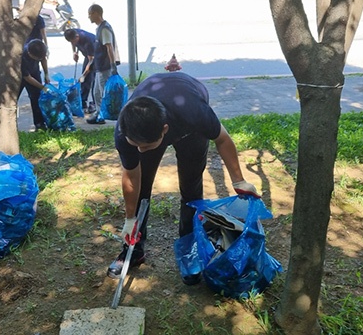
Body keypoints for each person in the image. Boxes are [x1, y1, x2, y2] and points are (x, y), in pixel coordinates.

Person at [108, 72, 261, 285]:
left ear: (165, 130)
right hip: (151, 118)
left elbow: (223, 139)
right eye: (136, 145)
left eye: (147, 146)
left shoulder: (194, 113)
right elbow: (131, 176)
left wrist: (238, 181)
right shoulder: (126, 132)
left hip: (189, 126)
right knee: (142, 190)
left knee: (190, 189)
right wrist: (130, 218)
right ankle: (133, 251)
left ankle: (190, 250)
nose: (140, 151)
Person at [86, 4, 120, 125]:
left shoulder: (104, 29)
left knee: (104, 93)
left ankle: (104, 116)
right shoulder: (99, 28)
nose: (88, 16)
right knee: (96, 93)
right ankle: (99, 113)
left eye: (90, 13)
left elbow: (109, 48)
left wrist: (112, 66)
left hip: (105, 67)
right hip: (99, 67)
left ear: (96, 13)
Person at [18, 39, 49, 131]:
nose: (40, 59)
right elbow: (27, 78)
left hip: (34, 72)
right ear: (30, 54)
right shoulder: (21, 57)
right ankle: (10, 123)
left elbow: (43, 58)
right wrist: (43, 87)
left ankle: (39, 123)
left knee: (37, 98)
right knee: (13, 100)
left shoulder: (39, 48)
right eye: (37, 59)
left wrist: (46, 74)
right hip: (20, 77)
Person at [63, 28, 96, 113]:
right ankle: (83, 101)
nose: (73, 43)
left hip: (96, 56)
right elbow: (72, 42)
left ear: (77, 36)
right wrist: (74, 52)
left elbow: (91, 61)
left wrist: (83, 75)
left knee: (94, 81)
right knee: (84, 81)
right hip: (88, 56)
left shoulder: (88, 40)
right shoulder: (73, 33)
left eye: (74, 41)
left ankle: (95, 104)